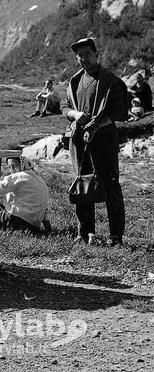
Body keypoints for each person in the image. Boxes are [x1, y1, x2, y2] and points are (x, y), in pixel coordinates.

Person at [62, 37, 128, 246]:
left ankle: (115, 236)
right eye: (79, 56)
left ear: (96, 55)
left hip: (103, 140)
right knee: (83, 183)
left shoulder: (110, 81)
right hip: (79, 140)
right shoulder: (74, 81)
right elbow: (64, 108)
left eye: (87, 54)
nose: (83, 59)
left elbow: (118, 112)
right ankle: (85, 232)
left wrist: (96, 125)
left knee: (110, 185)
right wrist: (74, 113)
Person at [0, 157, 51, 235]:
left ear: (22, 164)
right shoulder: (40, 180)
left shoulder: (19, 176)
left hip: (17, 222)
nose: (12, 169)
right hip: (32, 228)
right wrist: (49, 229)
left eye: (14, 166)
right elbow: (45, 210)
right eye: (9, 167)